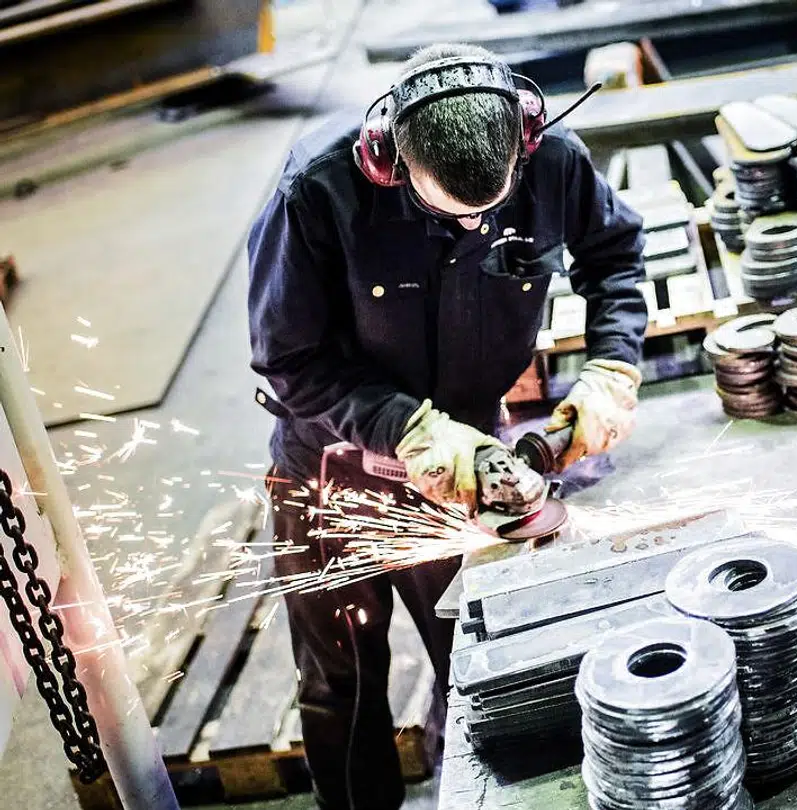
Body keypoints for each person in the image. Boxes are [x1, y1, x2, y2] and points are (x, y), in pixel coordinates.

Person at [246, 43, 647, 809]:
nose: (475, 225)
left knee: (479, 659)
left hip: (470, 461)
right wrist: (404, 430)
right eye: (449, 212)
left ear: (523, 141)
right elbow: (287, 359)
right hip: (328, 468)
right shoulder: (318, 193)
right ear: (388, 158)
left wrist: (611, 369)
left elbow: (616, 255)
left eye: (490, 210)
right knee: (341, 683)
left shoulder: (556, 162)